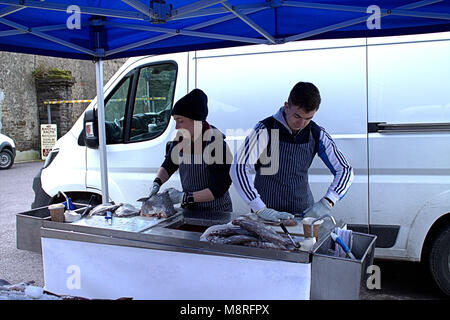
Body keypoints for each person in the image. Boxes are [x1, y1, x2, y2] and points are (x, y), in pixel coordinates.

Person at [230, 81, 354, 222]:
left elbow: (345, 170)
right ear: (286, 106)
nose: (302, 124)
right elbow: (238, 167)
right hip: (266, 216)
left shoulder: (316, 133)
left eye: (308, 118)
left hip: (303, 215)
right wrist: (259, 207)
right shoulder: (265, 129)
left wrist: (329, 200)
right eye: (297, 116)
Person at [148, 88, 233, 212]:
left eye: (180, 121)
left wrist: (184, 197)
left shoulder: (217, 144)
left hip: (216, 212)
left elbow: (218, 188)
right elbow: (169, 164)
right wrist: (157, 182)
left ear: (196, 120)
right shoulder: (181, 140)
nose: (177, 127)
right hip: (191, 210)